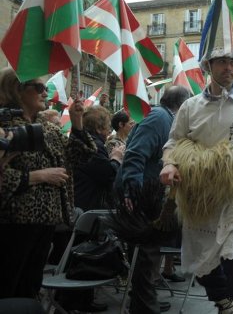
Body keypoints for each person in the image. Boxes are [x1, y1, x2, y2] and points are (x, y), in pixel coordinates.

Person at [160, 47, 233, 314]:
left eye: (232, 63)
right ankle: (225, 306)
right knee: (204, 271)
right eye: (222, 62)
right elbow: (172, 143)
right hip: (201, 201)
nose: (228, 68)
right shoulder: (190, 107)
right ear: (208, 66)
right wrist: (169, 164)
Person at [0, 67, 95, 300]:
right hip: (13, 220)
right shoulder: (5, 125)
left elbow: (79, 158)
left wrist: (77, 121)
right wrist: (37, 176)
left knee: (31, 285)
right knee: (7, 284)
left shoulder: (48, 127)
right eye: (40, 88)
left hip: (47, 219)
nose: (46, 93)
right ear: (17, 90)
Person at [115, 85, 192, 314]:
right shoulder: (159, 117)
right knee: (145, 252)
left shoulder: (164, 118)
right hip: (139, 195)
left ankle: (144, 299)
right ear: (182, 105)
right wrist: (132, 191)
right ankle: (144, 305)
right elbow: (136, 153)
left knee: (148, 252)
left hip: (146, 194)